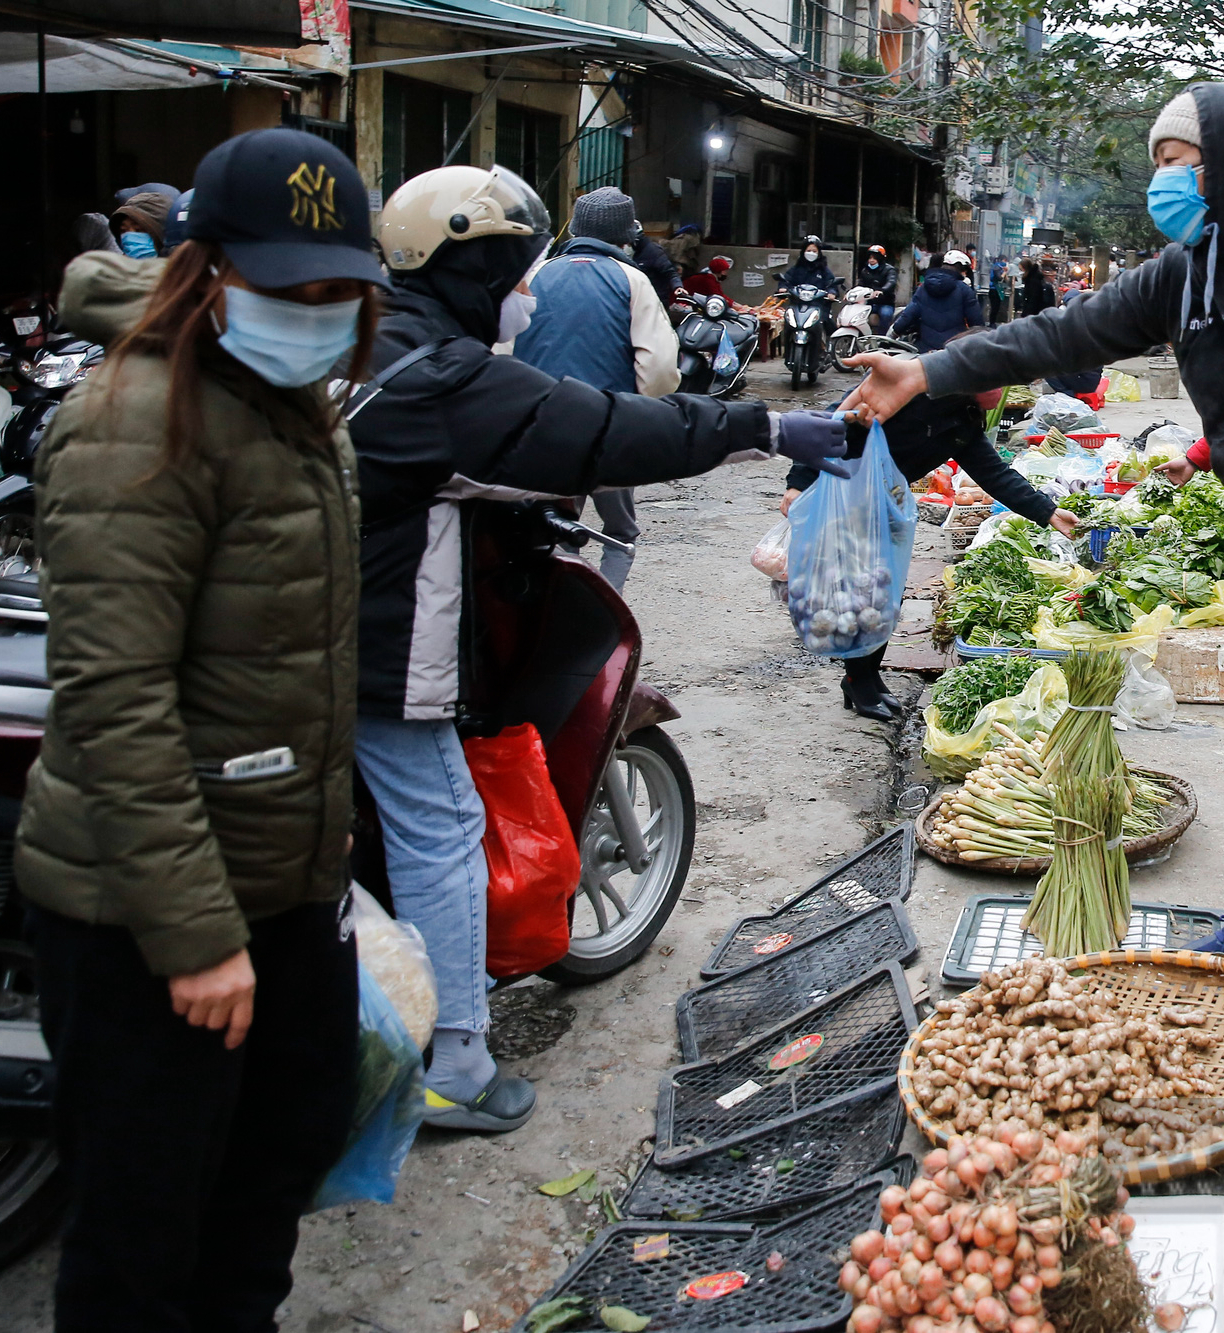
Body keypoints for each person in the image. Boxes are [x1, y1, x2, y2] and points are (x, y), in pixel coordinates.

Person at [846, 82, 1224, 989]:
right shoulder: (1185, 275)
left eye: (1173, 162)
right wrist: (930, 368)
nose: (1160, 180)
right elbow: (1062, 330)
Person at [347, 163, 852, 1131]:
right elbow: (603, 425)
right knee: (442, 827)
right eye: (515, 273)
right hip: (373, 650)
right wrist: (764, 424)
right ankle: (454, 1059)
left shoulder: (371, 346)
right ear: (480, 271)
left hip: (315, 632)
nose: (527, 291)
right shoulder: (443, 377)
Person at [16, 127, 386, 1330]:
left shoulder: (299, 411)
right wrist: (193, 940)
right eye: (289, 291)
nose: (318, 313)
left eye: (340, 292)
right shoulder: (129, 417)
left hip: (282, 898)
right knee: (139, 1239)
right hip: (147, 922)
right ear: (205, 271)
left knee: (267, 1183)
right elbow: (116, 701)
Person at [782, 377, 1080, 718]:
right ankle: (858, 679)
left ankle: (867, 675)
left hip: (887, 501)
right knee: (858, 592)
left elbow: (994, 473)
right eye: (994, 382)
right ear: (971, 369)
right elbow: (834, 420)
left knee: (885, 591)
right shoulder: (911, 388)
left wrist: (1049, 512)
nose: (1000, 393)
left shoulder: (962, 418)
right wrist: (798, 482)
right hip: (841, 492)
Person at [513, 186, 681, 590]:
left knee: (550, 526)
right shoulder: (632, 279)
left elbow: (502, 354)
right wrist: (637, 413)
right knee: (620, 533)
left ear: (575, 230)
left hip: (542, 430)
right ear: (627, 237)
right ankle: (605, 614)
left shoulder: (536, 275)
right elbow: (659, 369)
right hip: (609, 431)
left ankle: (555, 603)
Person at [890, 249, 984, 352]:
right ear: (960, 269)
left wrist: (892, 336)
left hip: (925, 351)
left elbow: (908, 315)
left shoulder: (924, 287)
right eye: (965, 270)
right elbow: (976, 323)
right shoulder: (964, 290)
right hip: (953, 351)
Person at [627, 212, 683, 309]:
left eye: (629, 243)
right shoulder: (634, 255)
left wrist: (678, 286)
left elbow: (670, 272)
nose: (626, 246)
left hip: (656, 303)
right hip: (639, 302)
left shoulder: (653, 251)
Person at [110, 190, 171, 260]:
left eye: (138, 230)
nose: (129, 238)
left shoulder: (181, 269)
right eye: (123, 231)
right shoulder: (113, 269)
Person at [857, 243, 898, 330]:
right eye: (870, 258)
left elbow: (891, 282)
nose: (871, 260)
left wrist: (882, 290)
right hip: (869, 302)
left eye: (875, 258)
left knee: (885, 315)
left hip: (885, 303)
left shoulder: (889, 270)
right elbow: (860, 284)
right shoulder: (865, 271)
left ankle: (883, 339)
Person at [987, 254, 1010, 324]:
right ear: (1001, 260)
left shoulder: (1000, 268)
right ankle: (992, 323)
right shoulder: (996, 267)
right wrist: (1004, 272)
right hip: (994, 290)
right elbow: (999, 278)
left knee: (997, 308)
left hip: (998, 290)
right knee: (994, 308)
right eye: (1005, 261)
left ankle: (993, 322)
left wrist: (1005, 272)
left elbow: (1007, 280)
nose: (1005, 262)